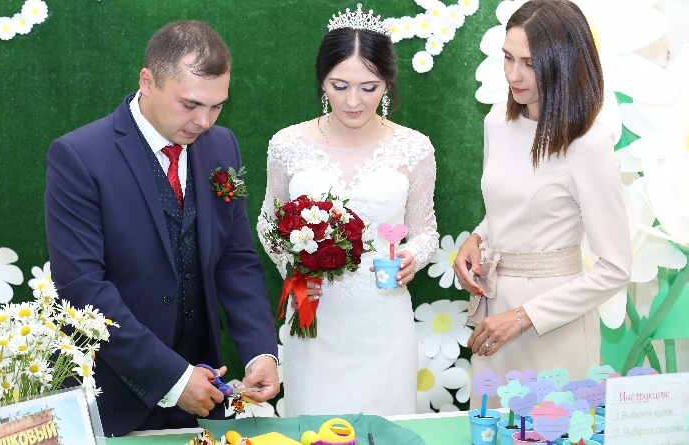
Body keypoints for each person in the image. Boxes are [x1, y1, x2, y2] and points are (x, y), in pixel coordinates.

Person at [45, 21, 279, 436]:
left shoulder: (222, 145)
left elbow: (236, 259)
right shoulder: (78, 156)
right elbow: (83, 288)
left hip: (207, 394)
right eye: (190, 104)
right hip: (114, 400)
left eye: (217, 106)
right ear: (148, 82)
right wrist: (172, 378)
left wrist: (261, 350)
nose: (204, 121)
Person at [257, 5, 439, 416]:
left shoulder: (414, 148)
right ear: (322, 81)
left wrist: (413, 256)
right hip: (315, 318)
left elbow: (425, 230)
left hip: (383, 318)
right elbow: (269, 222)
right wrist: (295, 269)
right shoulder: (287, 144)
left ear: (387, 84)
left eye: (368, 87)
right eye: (340, 86)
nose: (353, 101)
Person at [451, 0, 631, 407]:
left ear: (564, 65)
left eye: (530, 64)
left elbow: (615, 269)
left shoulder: (589, 145)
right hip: (493, 313)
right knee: (492, 427)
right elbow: (506, 205)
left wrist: (523, 317)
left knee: (555, 427)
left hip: (554, 323)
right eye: (508, 58)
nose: (513, 75)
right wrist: (476, 238)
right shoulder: (497, 122)